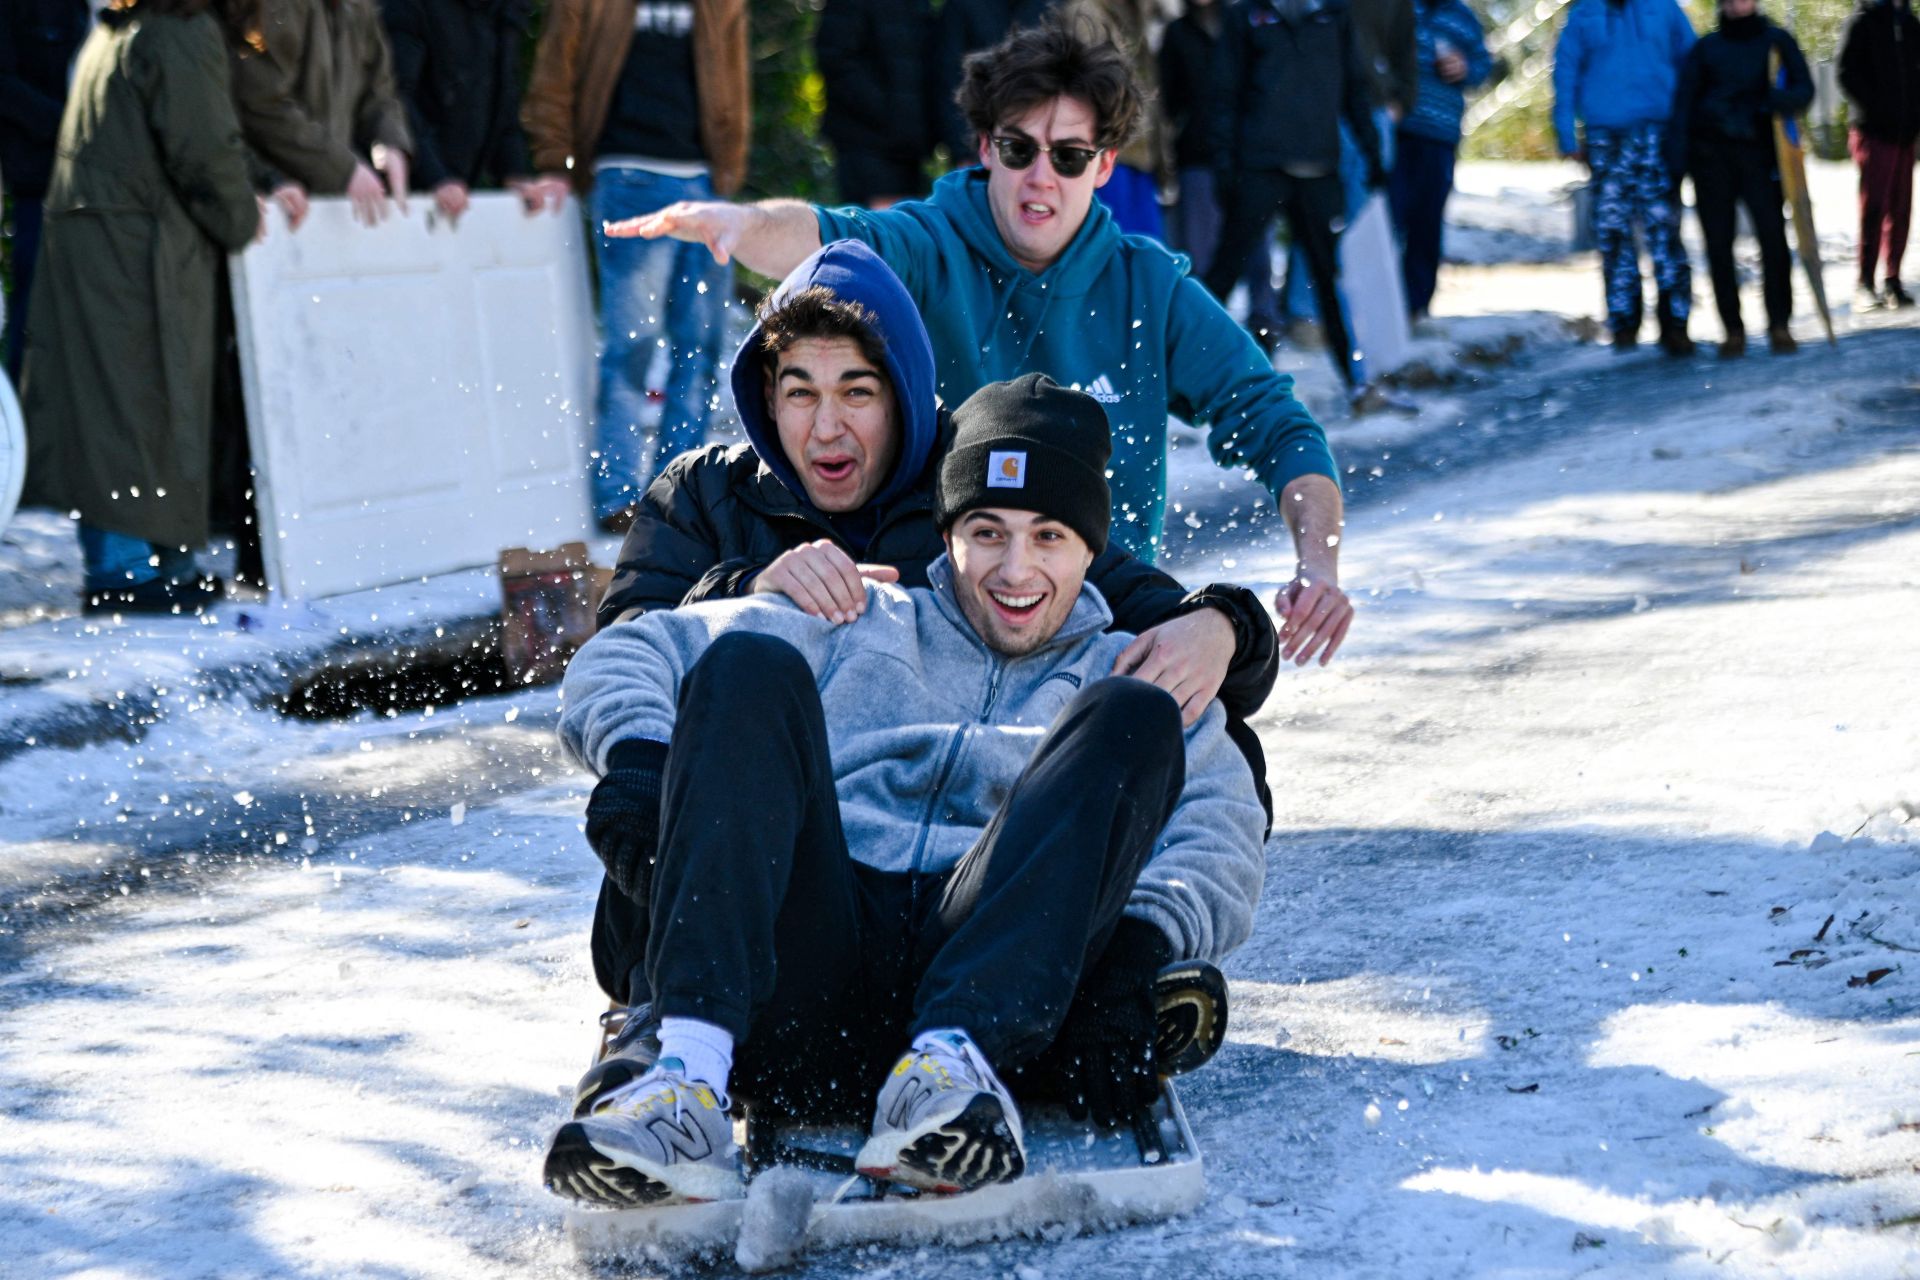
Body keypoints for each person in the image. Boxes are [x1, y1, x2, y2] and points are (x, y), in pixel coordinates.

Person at [544, 373, 1269, 1206]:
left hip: (995, 991)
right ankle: (688, 1083)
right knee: (746, 663)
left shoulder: (1127, 666)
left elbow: (1222, 831)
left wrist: (1144, 949)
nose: (1016, 567)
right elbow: (626, 654)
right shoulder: (866, 616)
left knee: (1130, 717)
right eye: (986, 532)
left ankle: (947, 1077)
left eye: (1050, 536)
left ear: (1089, 546)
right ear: (949, 533)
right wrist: (638, 761)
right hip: (806, 977)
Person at [584, 240, 1281, 1074]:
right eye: (797, 393)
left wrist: (1226, 625)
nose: (825, 425)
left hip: (961, 894)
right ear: (766, 402)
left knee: (1137, 722)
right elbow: (630, 650)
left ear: (906, 399)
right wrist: (744, 591)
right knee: (723, 697)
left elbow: (1131, 635)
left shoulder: (983, 490)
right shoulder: (706, 495)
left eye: (857, 392)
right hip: (758, 873)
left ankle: (1085, 993)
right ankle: (664, 1016)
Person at [612, 17, 1355, 666]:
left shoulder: (1148, 288)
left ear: (1102, 166)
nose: (1040, 178)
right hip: (944, 619)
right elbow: (833, 238)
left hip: (1100, 616)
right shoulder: (932, 242)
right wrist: (743, 227)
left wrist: (1316, 567)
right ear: (984, 148)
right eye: (1018, 147)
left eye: (1068, 156)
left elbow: (1276, 423)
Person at [21, 0, 262, 615]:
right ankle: (124, 570)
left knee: (125, 405)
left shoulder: (119, 31)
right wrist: (242, 215)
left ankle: (158, 561)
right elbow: (203, 145)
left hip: (104, 244)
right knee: (137, 407)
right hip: (138, 251)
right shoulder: (181, 32)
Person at [522, 0, 748, 533]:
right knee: (633, 344)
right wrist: (554, 161)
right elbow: (556, 70)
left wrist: (728, 174)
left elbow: (733, 79)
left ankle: (677, 495)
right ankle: (618, 498)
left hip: (704, 186)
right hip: (626, 177)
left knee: (701, 346)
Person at [1203, 0, 1388, 410]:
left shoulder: (1335, 14)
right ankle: (1177, 377)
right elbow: (1224, 93)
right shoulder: (1245, 14)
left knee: (1328, 278)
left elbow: (1354, 90)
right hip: (1259, 167)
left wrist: (1373, 155)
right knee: (1224, 273)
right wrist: (1224, 166)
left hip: (1318, 168)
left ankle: (1357, 383)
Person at [1552, 0, 1698, 354]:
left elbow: (1692, 66)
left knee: (1663, 228)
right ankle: (1624, 322)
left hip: (1657, 136)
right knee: (1613, 229)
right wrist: (1566, 132)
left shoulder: (1664, 9)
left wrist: (1692, 128)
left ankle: (1675, 323)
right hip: (1605, 139)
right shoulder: (1584, 13)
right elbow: (1566, 72)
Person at [1668, 0, 1811, 357]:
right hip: (1711, 159)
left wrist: (1775, 101)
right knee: (1718, 245)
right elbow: (1684, 106)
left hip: (1761, 156)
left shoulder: (1777, 40)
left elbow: (1804, 89)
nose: (1737, 3)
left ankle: (1780, 324)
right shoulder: (1706, 48)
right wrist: (1678, 162)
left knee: (1773, 240)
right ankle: (1733, 330)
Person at [1281, 0, 1419, 343]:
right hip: (1323, 111)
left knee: (1361, 218)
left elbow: (1405, 45)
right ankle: (1305, 314)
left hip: (1375, 111)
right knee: (1316, 213)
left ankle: (1354, 318)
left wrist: (1401, 99)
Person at [231, 0, 414, 225]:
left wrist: (389, 142)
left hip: (333, 207)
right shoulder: (279, 6)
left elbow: (379, 89)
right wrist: (343, 169)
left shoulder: (359, 7)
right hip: (276, 201)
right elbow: (263, 103)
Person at [1158, 0, 1280, 332]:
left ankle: (1263, 327)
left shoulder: (1247, 21)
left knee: (1258, 250)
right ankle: (1203, 331)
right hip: (1198, 155)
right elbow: (1167, 102)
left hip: (1250, 154)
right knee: (1201, 254)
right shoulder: (1178, 32)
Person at [378, 0, 555, 224]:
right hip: (398, 197)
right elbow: (393, 98)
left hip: (459, 195)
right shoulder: (408, 7)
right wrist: (437, 177)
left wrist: (513, 174)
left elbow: (504, 98)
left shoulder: (505, 10)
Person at [0, 0, 93, 383]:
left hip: (105, 191)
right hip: (40, 187)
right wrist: (71, 127)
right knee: (32, 316)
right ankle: (16, 431)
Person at [1389, 0, 1491, 324]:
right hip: (1395, 131)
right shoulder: (1397, 8)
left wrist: (1465, 67)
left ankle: (1416, 307)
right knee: (1388, 219)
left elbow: (1482, 66)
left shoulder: (1462, 17)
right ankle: (1381, 307)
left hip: (1440, 135)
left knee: (1427, 222)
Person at [1838, 0, 1920, 311]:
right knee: (1874, 207)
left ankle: (1893, 280)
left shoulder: (1910, 24)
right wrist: (1874, 111)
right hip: (1874, 133)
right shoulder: (1862, 21)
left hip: (1905, 134)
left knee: (1901, 209)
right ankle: (1864, 283)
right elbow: (1845, 74)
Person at [815, 0, 934, 209]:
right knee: (876, 231)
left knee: (904, 231)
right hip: (866, 143)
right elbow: (835, 58)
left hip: (910, 147)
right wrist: (891, 113)